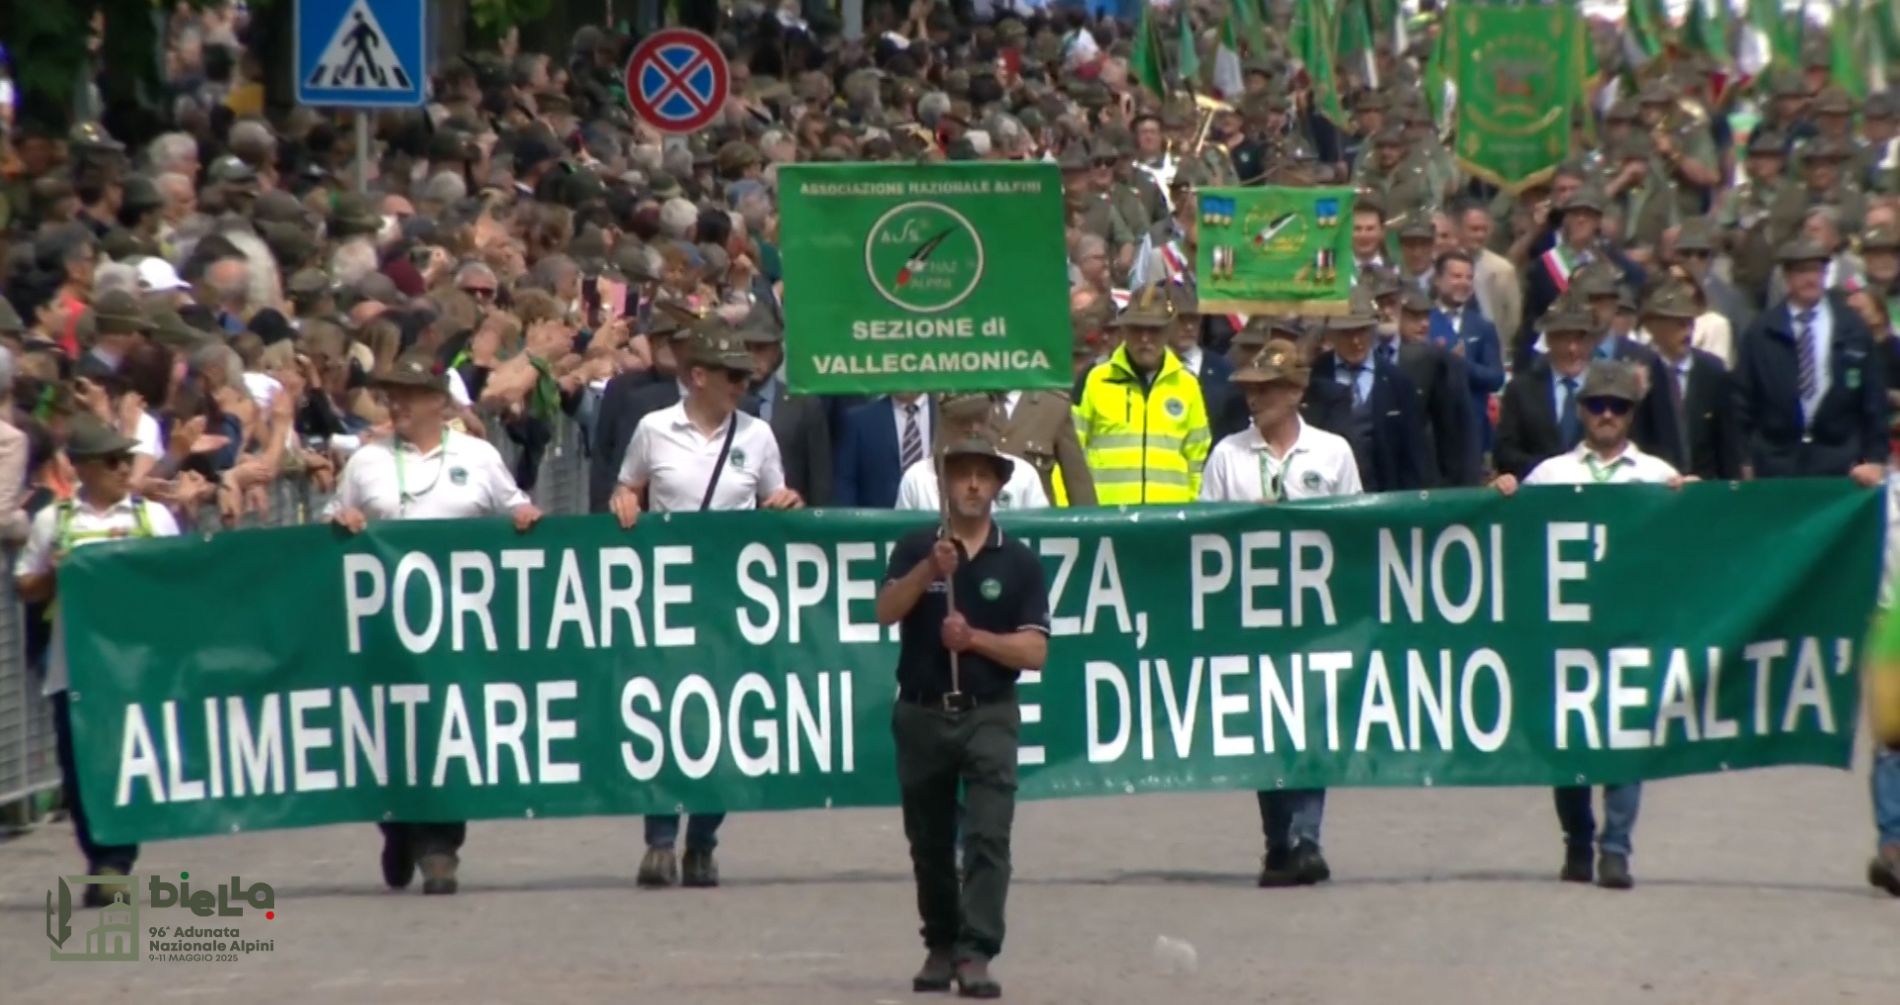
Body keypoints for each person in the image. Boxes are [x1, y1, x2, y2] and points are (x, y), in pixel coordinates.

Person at [324, 352, 542, 896]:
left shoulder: (477, 456)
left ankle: (441, 845)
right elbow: (330, 520)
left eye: (408, 393)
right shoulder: (368, 463)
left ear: (437, 403)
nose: (395, 403)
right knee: (393, 734)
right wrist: (342, 521)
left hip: (456, 630)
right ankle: (399, 828)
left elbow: (516, 509)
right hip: (387, 632)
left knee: (449, 733)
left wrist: (524, 519)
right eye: (389, 393)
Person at [611, 330, 803, 888]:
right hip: (670, 598)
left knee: (724, 719)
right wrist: (625, 500)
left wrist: (786, 502)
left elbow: (776, 498)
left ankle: (704, 838)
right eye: (733, 377)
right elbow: (627, 486)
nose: (744, 387)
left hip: (731, 601)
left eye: (748, 378)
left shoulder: (758, 435)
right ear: (700, 377)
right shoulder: (654, 430)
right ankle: (660, 839)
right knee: (667, 714)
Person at [1496, 360, 1693, 889]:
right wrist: (1505, 497)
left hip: (1631, 634)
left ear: (1631, 414)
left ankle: (1617, 847)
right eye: (1597, 405)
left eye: (1618, 406)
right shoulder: (1552, 474)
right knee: (1570, 745)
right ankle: (1578, 841)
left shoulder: (1655, 476)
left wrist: (1696, 505)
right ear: (1581, 410)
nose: (1607, 415)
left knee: (1627, 740)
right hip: (1567, 637)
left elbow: (1691, 547)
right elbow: (1513, 546)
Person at [875, 431, 1050, 1000]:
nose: (973, 484)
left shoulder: (1018, 561)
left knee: (987, 836)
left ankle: (977, 950)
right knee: (928, 841)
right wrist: (930, 571)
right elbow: (884, 611)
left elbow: (1035, 651)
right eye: (961, 473)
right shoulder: (914, 547)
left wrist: (973, 639)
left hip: (988, 713)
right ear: (944, 483)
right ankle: (940, 943)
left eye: (984, 475)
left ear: (1000, 485)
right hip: (922, 711)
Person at [1197, 338, 1360, 886]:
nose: (1254, 399)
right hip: (1251, 613)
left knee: (1311, 720)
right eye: (1249, 390)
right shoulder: (1228, 455)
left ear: (1296, 391)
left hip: (1315, 616)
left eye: (1266, 389)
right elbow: (1204, 532)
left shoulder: (1332, 453)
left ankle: (1307, 838)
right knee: (1267, 725)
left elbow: (1357, 532)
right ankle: (1277, 840)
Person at [15, 415, 181, 906]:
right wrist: (54, 574)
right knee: (81, 766)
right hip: (77, 668)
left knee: (129, 761)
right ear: (85, 467)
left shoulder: (153, 519)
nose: (124, 468)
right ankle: (99, 855)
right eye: (113, 461)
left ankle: (116, 859)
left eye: (127, 459)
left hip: (138, 668)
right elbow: (24, 585)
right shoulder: (56, 522)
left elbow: (184, 581)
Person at [1733, 237, 1889, 484]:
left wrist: (1875, 458)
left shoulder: (1852, 328)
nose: (1810, 279)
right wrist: (1742, 460)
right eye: (1801, 271)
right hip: (1776, 463)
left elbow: (1873, 400)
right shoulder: (1762, 332)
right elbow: (1741, 401)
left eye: (1817, 270)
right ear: (1786, 277)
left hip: (1840, 462)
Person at [1073, 282, 1211, 504]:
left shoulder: (1187, 384)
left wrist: (1190, 509)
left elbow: (1197, 459)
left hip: (1169, 520)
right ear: (1124, 330)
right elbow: (1072, 452)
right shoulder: (1095, 378)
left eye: (1154, 330)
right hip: (1105, 518)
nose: (1145, 339)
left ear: (1169, 331)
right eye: (1137, 329)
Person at [1306, 289, 1428, 491]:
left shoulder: (1398, 382)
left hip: (1384, 498)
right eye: (1347, 332)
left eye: (1361, 331)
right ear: (1331, 334)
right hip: (1328, 496)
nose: (1356, 341)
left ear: (1373, 330)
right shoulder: (1314, 379)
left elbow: (1413, 452)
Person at [1630, 281, 1744, 480]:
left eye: (1690, 323)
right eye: (1678, 324)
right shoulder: (1640, 371)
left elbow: (1728, 440)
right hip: (1655, 487)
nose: (1687, 332)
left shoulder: (1712, 371)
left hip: (1704, 488)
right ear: (1654, 327)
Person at [1494, 291, 1600, 480]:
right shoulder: (1521, 390)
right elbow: (1505, 454)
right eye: (1564, 338)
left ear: (1593, 341)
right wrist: (1552, 470)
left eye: (1580, 338)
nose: (1572, 348)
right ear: (1549, 340)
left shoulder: (1610, 389)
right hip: (1540, 495)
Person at [896, 394, 1048, 512]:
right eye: (963, 421)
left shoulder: (1023, 476)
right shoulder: (918, 479)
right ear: (943, 424)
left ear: (992, 418)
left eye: (980, 419)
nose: (974, 428)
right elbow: (899, 541)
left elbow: (1043, 538)